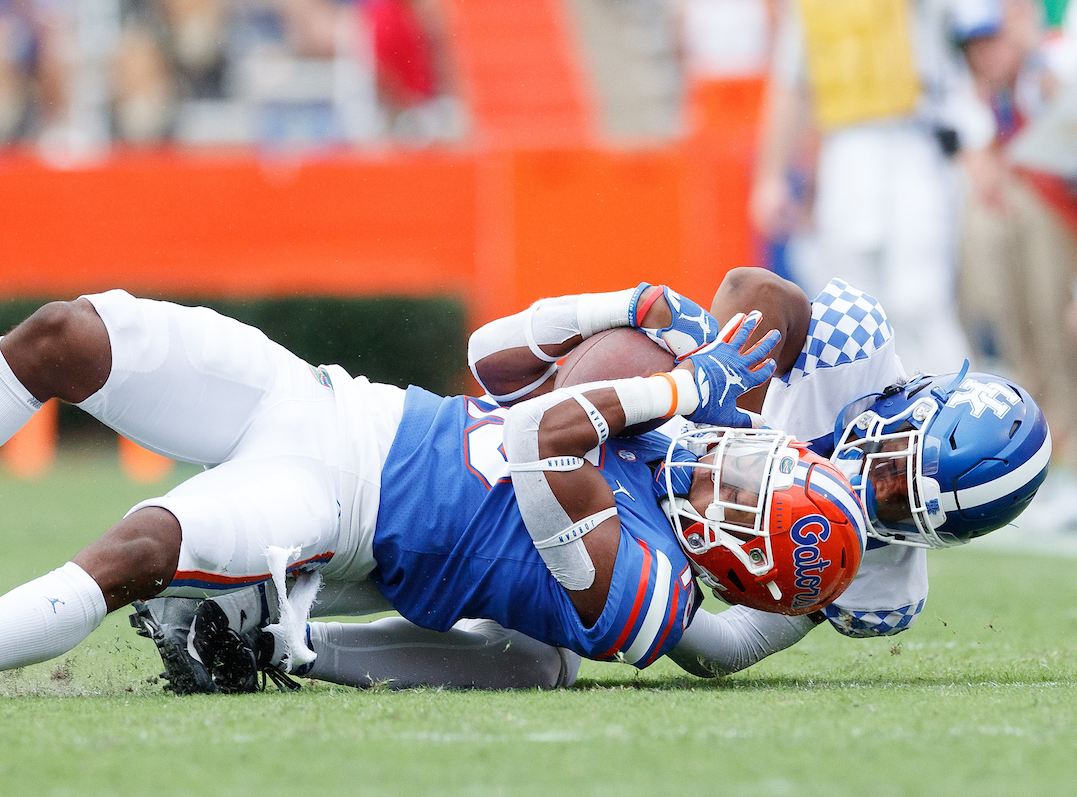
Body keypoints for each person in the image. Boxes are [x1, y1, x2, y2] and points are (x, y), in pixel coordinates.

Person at [0, 282, 867, 699]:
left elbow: (540, 438)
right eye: (760, 466)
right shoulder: (681, 441)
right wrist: (632, 306)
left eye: (748, 497)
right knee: (65, 333)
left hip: (334, 504)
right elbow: (494, 356)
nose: (734, 468)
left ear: (733, 559)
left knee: (136, 550)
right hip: (321, 397)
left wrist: (690, 383)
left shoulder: (650, 588)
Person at [164, 267, 1050, 692]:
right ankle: (265, 563)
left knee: (540, 656)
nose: (875, 493)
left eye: (904, 514)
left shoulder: (881, 587)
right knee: (622, 358)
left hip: (645, 542)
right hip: (636, 430)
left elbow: (737, 645)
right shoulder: (850, 347)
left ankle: (286, 634)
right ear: (908, 402)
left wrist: (668, 617)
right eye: (893, 472)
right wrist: (714, 394)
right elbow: (750, 294)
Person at [750, 0, 993, 375]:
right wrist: (770, 177)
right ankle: (875, 406)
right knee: (854, 306)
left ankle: (954, 400)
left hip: (915, 142)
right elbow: (791, 84)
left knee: (920, 298)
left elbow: (966, 54)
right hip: (846, 153)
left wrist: (976, 142)